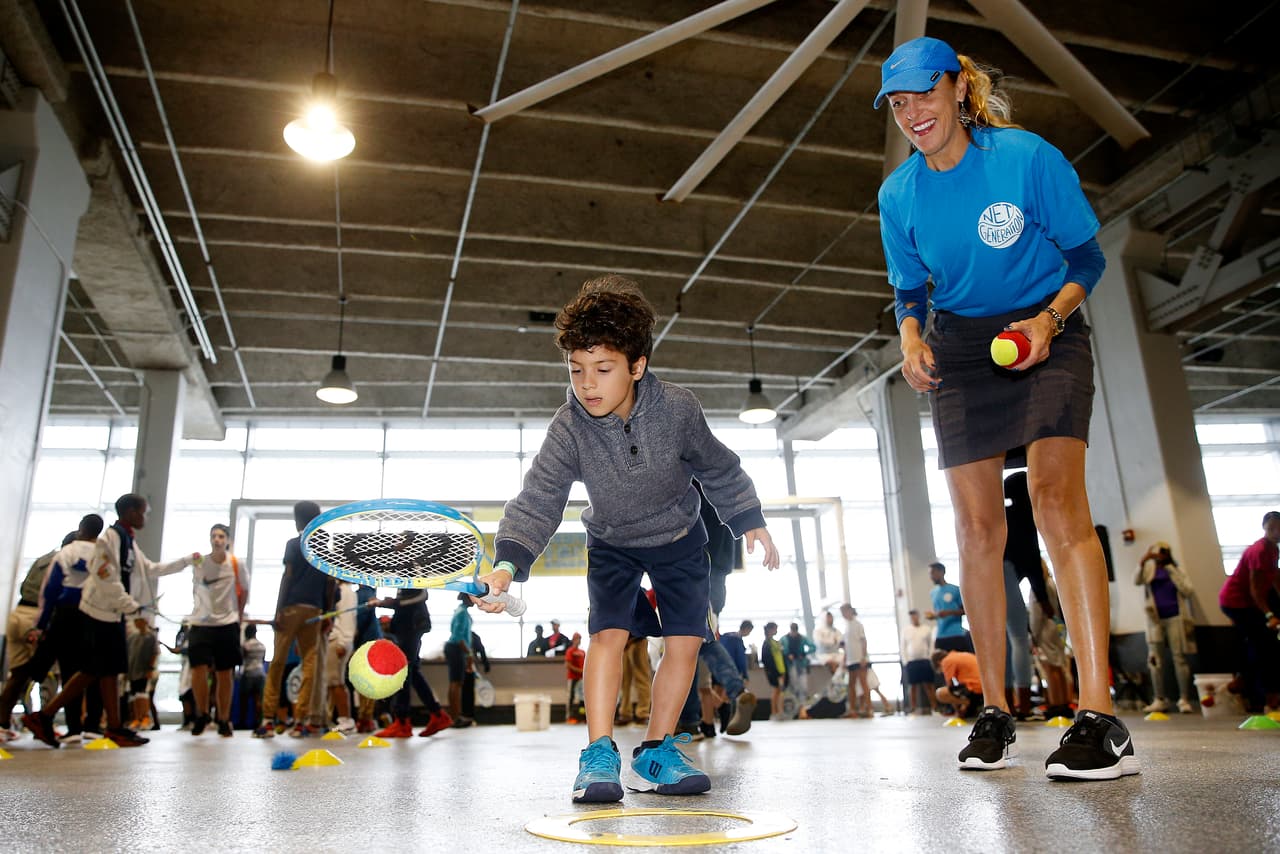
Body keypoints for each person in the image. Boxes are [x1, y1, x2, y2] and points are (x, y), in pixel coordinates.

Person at [876, 36, 1134, 780]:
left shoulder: (1026, 158)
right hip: (960, 350)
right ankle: (994, 708)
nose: (913, 112)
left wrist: (1048, 323)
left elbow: (1087, 258)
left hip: (1045, 328)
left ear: (960, 88)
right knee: (976, 526)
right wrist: (912, 338)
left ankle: (1099, 716)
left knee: (1057, 505)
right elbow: (910, 289)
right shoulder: (899, 194)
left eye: (925, 93)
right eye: (898, 102)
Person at [474, 275, 779, 804]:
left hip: (680, 536)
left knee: (685, 641)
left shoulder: (679, 409)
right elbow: (539, 498)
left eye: (603, 368)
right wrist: (506, 566)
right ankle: (598, 755)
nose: (587, 384)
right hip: (612, 540)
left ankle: (656, 750)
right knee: (608, 636)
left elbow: (718, 466)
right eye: (576, 370)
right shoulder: (568, 426)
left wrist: (749, 517)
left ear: (637, 366)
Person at [25, 494, 197, 748]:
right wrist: (132, 606)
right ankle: (44, 716)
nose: (145, 517)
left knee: (110, 670)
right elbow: (106, 578)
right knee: (93, 670)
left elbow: (149, 568)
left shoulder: (128, 540)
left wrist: (186, 561)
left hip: (112, 614)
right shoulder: (109, 539)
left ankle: (114, 727)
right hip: (97, 614)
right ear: (129, 512)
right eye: (142, 512)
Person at [0, 525, 96, 742]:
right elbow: (51, 595)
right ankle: (43, 722)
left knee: (18, 674)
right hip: (35, 618)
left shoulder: (45, 558)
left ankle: (3, 724)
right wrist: (41, 627)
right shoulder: (68, 561)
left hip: (19, 612)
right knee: (49, 674)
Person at [254, 501, 337, 738]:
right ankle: (301, 721)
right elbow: (330, 584)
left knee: (278, 662)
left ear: (299, 520)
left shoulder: (294, 543)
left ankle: (268, 720)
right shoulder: (325, 549)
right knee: (310, 665)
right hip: (315, 610)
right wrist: (327, 614)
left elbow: (287, 577)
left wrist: (277, 611)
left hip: (290, 608)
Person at [187, 523, 248, 737]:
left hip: (227, 623)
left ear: (228, 540)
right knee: (198, 669)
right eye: (213, 535)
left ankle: (224, 718)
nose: (217, 539)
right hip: (201, 623)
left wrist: (237, 616)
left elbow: (244, 591)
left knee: (225, 673)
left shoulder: (236, 563)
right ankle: (202, 714)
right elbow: (195, 588)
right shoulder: (201, 562)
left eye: (221, 536)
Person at [1218, 511, 1280, 712]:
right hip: (1235, 601)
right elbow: (1255, 589)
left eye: (1279, 528)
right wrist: (1269, 615)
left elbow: (1274, 578)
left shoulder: (1273, 550)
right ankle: (1261, 695)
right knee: (1263, 644)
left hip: (1250, 604)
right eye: (1272, 528)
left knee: (1264, 644)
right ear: (1264, 528)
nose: (1276, 532)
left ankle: (1243, 682)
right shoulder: (1259, 550)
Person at [373, 588, 451, 738]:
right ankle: (437, 715)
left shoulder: (414, 564)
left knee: (403, 671)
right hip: (408, 624)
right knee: (412, 671)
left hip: (411, 624)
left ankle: (402, 722)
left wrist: (392, 602)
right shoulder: (405, 567)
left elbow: (422, 594)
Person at [1134, 541, 1197, 714]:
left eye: (1164, 552)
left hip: (1175, 617)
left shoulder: (1174, 570)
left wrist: (1171, 569)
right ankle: (1159, 699)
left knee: (1179, 658)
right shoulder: (1148, 570)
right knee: (1155, 660)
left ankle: (1184, 699)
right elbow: (1137, 580)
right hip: (1154, 619)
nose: (1160, 555)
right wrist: (1144, 560)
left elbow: (1188, 590)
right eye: (1157, 552)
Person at [325, 582, 358, 733]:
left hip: (339, 640)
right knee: (332, 682)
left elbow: (347, 618)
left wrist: (344, 642)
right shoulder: (338, 590)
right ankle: (336, 718)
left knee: (336, 681)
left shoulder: (345, 592)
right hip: (335, 639)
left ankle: (346, 719)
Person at [444, 592, 474, 725]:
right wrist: (469, 654)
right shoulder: (462, 613)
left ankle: (454, 715)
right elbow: (459, 637)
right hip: (456, 648)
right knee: (456, 683)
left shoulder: (461, 611)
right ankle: (455, 717)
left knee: (454, 682)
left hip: (454, 649)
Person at [925, 563, 969, 652]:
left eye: (932, 573)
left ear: (941, 572)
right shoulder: (933, 593)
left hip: (956, 634)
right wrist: (933, 616)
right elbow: (938, 612)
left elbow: (965, 611)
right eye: (929, 574)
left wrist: (949, 612)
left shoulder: (955, 590)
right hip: (940, 635)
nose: (931, 576)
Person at [901, 609, 937, 715]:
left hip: (925, 660)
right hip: (912, 661)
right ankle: (913, 708)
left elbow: (931, 644)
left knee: (929, 685)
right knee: (912, 686)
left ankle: (934, 707)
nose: (914, 618)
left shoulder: (926, 629)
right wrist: (906, 661)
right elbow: (903, 646)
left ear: (918, 616)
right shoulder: (906, 630)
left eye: (915, 616)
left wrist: (930, 657)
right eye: (912, 616)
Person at [932, 649, 984, 721]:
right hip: (983, 689)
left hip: (974, 689)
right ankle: (971, 706)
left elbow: (950, 687)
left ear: (938, 662)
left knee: (940, 693)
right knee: (959, 690)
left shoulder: (946, 661)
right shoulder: (962, 654)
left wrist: (957, 711)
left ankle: (970, 704)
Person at [840, 604, 871, 718]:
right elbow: (845, 646)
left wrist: (863, 657)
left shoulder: (858, 625)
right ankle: (852, 709)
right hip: (850, 660)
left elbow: (863, 641)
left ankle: (869, 708)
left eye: (844, 612)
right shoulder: (846, 626)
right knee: (851, 685)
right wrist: (844, 659)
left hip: (859, 659)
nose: (843, 615)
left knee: (863, 684)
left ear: (849, 611)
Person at [238, 623, 267, 730]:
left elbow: (241, 660)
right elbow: (263, 660)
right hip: (261, 673)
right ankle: (259, 723)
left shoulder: (245, 645)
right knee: (258, 701)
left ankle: (242, 723)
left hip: (248, 674)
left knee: (244, 701)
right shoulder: (262, 645)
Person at [781, 622, 816, 699]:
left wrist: (804, 653)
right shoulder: (784, 638)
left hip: (801, 663)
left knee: (803, 684)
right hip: (790, 664)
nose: (794, 633)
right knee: (793, 684)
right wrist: (787, 654)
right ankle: (795, 701)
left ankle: (803, 701)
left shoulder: (802, 638)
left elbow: (813, 647)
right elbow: (780, 649)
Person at [565, 633, 586, 723]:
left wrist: (584, 672)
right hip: (573, 678)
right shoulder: (570, 651)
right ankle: (570, 716)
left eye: (580, 639)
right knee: (571, 697)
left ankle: (582, 716)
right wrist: (579, 671)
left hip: (582, 679)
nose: (579, 641)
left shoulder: (582, 652)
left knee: (582, 698)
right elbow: (568, 665)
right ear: (573, 640)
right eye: (577, 639)